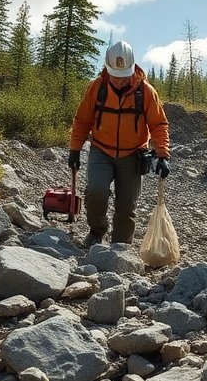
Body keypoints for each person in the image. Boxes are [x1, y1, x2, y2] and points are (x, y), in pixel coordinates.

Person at [68, 40, 171, 246]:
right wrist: (75, 150)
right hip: (101, 150)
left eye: (124, 77)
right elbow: (82, 120)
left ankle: (120, 246)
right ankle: (97, 230)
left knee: (126, 206)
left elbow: (159, 124)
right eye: (115, 76)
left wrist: (163, 155)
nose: (120, 81)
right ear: (107, 69)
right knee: (96, 192)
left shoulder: (146, 92)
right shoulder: (96, 88)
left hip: (133, 155)